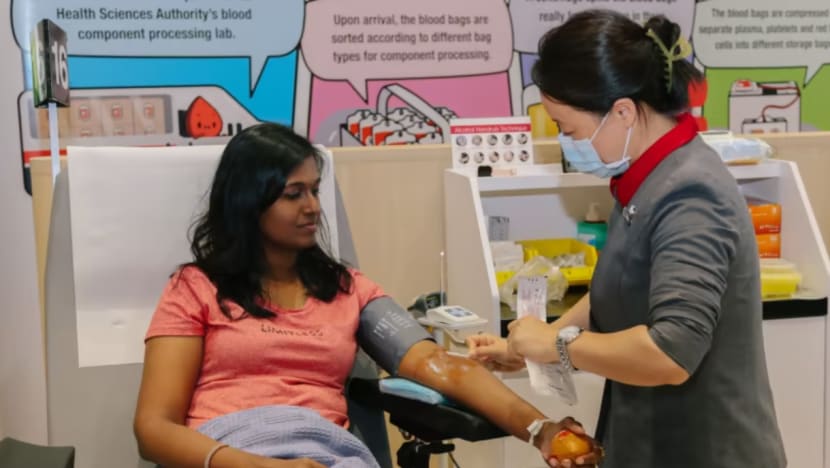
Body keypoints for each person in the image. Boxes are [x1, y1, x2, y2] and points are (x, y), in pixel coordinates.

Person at [133, 123, 601, 468]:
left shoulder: (347, 289)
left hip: (326, 456)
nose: (313, 207)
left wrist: (541, 429)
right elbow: (153, 430)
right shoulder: (195, 288)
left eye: (315, 190)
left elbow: (441, 366)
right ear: (247, 202)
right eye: (293, 194)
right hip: (230, 454)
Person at [467, 10, 786, 468]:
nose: (565, 141)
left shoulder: (690, 192)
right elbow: (616, 291)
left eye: (567, 128)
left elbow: (670, 351)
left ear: (623, 112)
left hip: (706, 448)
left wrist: (556, 347)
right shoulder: (643, 177)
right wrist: (534, 343)